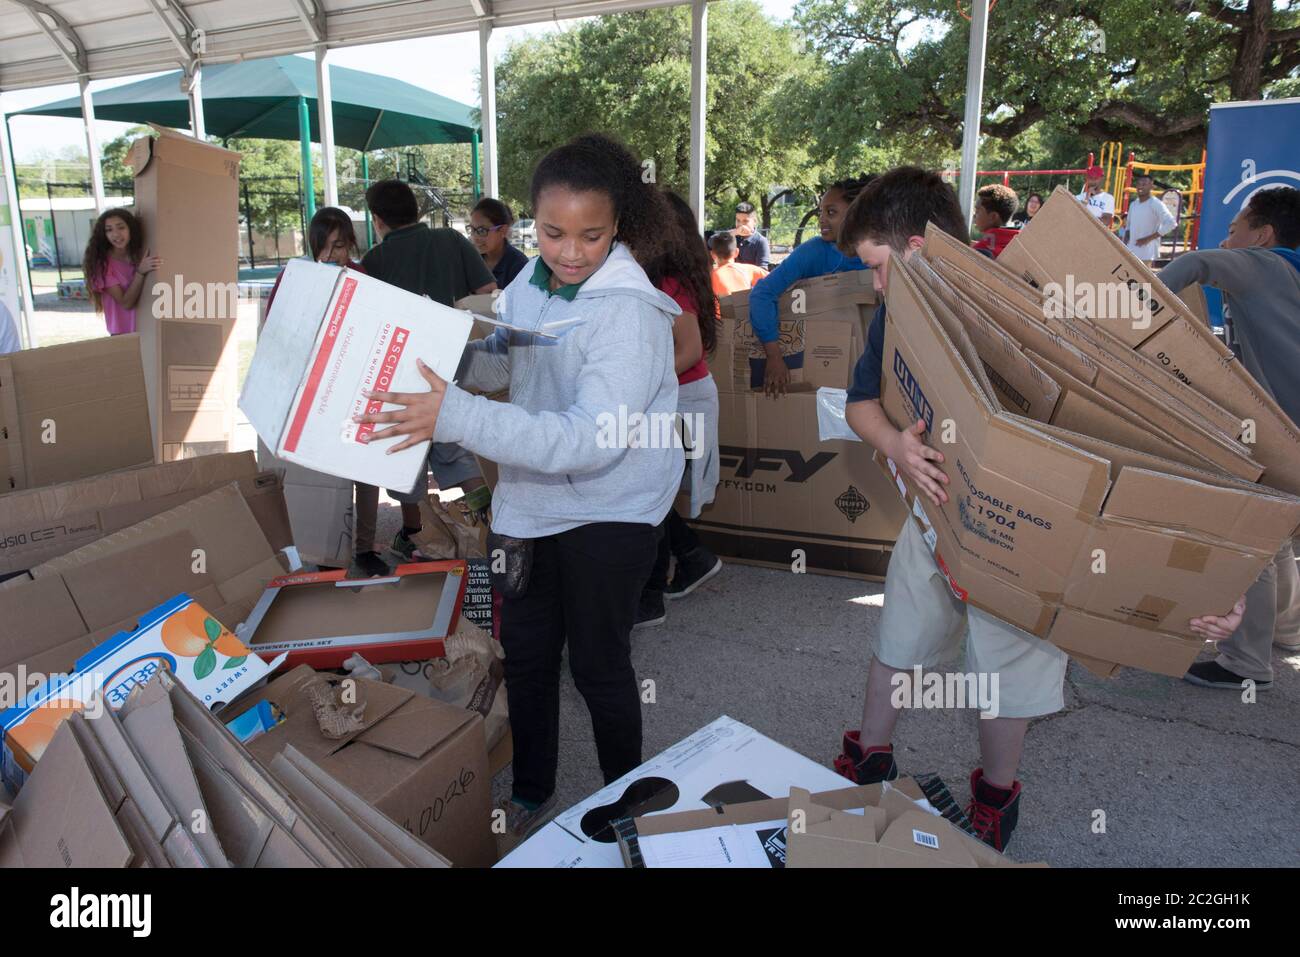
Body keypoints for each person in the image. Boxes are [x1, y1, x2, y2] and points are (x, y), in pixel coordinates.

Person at [831, 166, 1246, 851]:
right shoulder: (900, 314)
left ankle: (997, 790)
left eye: (878, 268)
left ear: (917, 246)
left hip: (1026, 538)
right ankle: (870, 753)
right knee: (898, 638)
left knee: (1006, 673)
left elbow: (1174, 454)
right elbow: (861, 402)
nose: (875, 288)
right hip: (933, 516)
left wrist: (1221, 580)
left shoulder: (1034, 298)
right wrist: (894, 447)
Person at [356, 134, 683, 842]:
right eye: (554, 232)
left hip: (614, 506)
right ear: (531, 223)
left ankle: (626, 794)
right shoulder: (532, 282)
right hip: (532, 502)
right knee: (528, 655)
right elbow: (512, 366)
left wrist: (455, 412)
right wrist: (452, 363)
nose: (570, 250)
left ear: (619, 223)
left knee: (598, 663)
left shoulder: (631, 314)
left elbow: (591, 439)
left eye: (591, 235)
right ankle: (532, 786)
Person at [1158, 186, 1300, 690]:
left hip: (1284, 436)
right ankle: (1286, 630)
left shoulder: (1265, 265)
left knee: (1250, 537)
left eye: (1235, 228)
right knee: (1280, 532)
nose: (1227, 236)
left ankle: (1245, 664)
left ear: (1262, 235)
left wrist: (1143, 301)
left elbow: (1198, 263)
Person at [361, 179, 497, 562]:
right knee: (461, 456)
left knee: (407, 464)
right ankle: (487, 524)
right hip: (454, 370)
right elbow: (488, 293)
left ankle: (417, 534)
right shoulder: (451, 242)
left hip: (400, 382)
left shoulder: (375, 261)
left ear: (378, 219)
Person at [265, 207, 395, 579]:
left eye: (341, 246)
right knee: (324, 472)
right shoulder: (296, 276)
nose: (335, 254)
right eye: (327, 247)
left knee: (363, 470)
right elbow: (278, 330)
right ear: (314, 246)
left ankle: (365, 548)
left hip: (355, 385)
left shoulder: (360, 275)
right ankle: (325, 548)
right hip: (316, 389)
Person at [636, 190, 723, 628]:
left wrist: (636, 385)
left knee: (648, 499)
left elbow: (687, 351)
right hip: (676, 399)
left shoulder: (667, 283)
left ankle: (650, 597)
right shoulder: (669, 277)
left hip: (680, 402)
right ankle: (692, 558)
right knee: (652, 497)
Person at [747, 176, 873, 395]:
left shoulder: (883, 248)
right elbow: (762, 294)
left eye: (831, 213)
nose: (822, 220)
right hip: (828, 370)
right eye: (821, 212)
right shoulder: (814, 252)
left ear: (857, 214)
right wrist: (774, 356)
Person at [82, 208, 162, 335]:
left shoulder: (138, 255)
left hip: (148, 329)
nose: (116, 234)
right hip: (123, 335)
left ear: (131, 229)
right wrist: (140, 272)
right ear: (104, 234)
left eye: (121, 227)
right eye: (109, 230)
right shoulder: (102, 265)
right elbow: (126, 303)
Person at [469, 197, 530, 288]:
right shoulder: (471, 260)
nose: (475, 237)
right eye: (472, 229)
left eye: (482, 231)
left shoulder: (519, 265)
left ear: (503, 231)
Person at [1123, 174, 1177, 263]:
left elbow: (1172, 223)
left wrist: (1147, 239)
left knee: (1143, 277)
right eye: (1138, 184)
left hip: (1147, 253)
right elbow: (1128, 227)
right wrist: (1124, 244)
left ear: (1151, 186)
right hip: (1131, 251)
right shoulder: (1133, 204)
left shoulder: (1156, 203)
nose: (1140, 186)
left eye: (1144, 184)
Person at [709, 231, 768, 297]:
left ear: (713, 255)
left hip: (722, 307)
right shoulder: (748, 269)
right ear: (736, 252)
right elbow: (773, 280)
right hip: (746, 306)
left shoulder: (710, 276)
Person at [970, 183, 1020, 258]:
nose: (974, 216)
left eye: (977, 211)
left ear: (993, 217)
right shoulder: (1023, 242)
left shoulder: (982, 251)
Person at [733, 201, 770, 270]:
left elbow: (762, 271)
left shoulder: (761, 241)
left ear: (754, 221)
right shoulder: (732, 237)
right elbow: (711, 242)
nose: (741, 225)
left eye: (745, 221)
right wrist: (732, 233)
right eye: (738, 220)